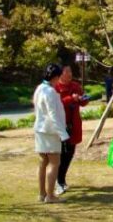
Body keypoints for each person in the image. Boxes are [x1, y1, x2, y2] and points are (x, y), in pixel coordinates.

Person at [34, 63, 69, 204]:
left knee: (43, 161)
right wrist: (63, 134)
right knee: (55, 162)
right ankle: (50, 195)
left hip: (40, 129)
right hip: (50, 131)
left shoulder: (40, 88)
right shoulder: (50, 92)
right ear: (56, 77)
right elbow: (53, 114)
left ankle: (42, 193)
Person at [53, 64, 88, 196]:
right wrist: (70, 99)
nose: (69, 74)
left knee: (70, 152)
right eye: (66, 71)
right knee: (61, 153)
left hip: (74, 124)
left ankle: (61, 178)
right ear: (60, 74)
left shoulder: (75, 86)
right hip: (61, 125)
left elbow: (83, 100)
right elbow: (57, 104)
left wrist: (83, 99)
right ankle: (58, 180)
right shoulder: (55, 87)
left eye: (70, 71)